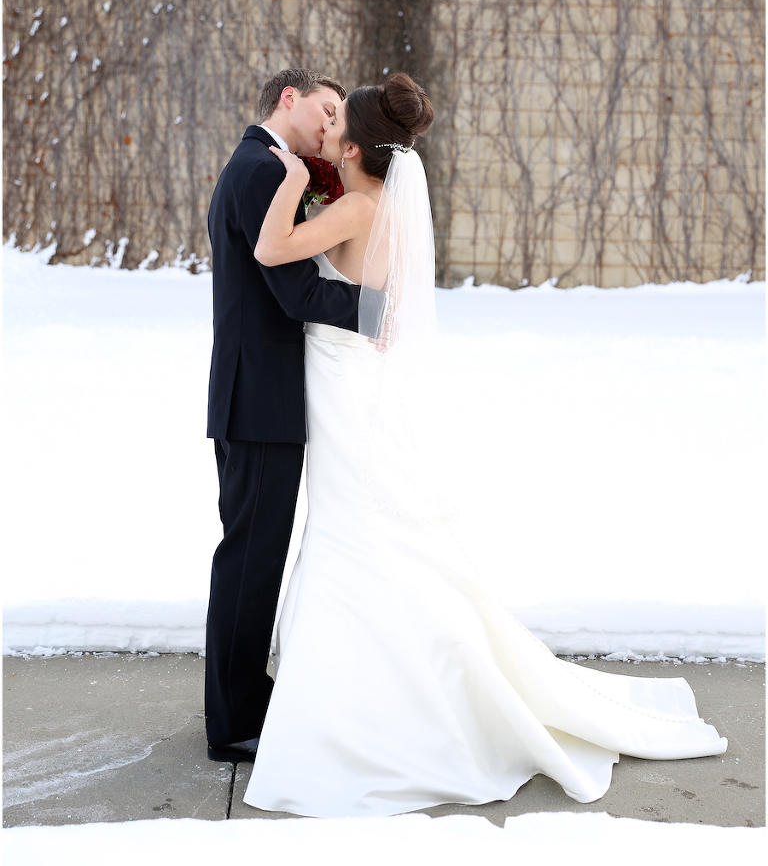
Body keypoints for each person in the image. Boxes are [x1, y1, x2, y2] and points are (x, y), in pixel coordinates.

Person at [244, 71, 727, 817]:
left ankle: (362, 715)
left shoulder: (357, 207)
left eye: (340, 125)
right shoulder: (381, 206)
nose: (329, 131)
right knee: (359, 530)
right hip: (354, 384)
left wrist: (288, 174)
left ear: (357, 145)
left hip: (342, 390)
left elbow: (274, 249)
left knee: (350, 535)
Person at [205, 68, 361, 763]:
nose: (331, 126)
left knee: (250, 556)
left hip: (251, 396)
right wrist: (380, 311)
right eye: (327, 109)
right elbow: (295, 294)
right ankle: (235, 720)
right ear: (288, 99)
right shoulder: (267, 169)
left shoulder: (258, 164)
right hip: (260, 402)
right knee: (249, 560)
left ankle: (239, 700)